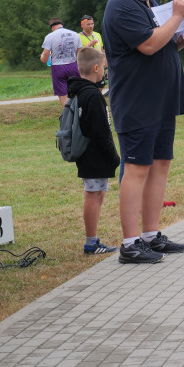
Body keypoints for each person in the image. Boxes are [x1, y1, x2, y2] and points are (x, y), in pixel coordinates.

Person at [102, 0, 184, 265]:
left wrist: (177, 40)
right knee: (137, 168)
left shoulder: (146, 4)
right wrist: (177, 17)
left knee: (160, 165)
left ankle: (151, 235)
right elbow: (148, 44)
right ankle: (130, 244)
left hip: (161, 99)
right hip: (138, 102)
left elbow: (156, 43)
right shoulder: (122, 5)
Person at [66, 47, 121, 255]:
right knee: (92, 194)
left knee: (97, 193)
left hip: (88, 153)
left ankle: (94, 239)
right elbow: (100, 131)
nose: (104, 74)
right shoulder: (92, 95)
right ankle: (90, 242)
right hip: (94, 154)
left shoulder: (79, 91)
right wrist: (114, 156)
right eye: (103, 70)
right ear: (96, 68)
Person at [40, 18, 82, 107]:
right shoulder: (75, 34)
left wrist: (42, 57)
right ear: (62, 24)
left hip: (58, 67)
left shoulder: (50, 36)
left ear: (52, 27)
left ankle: (68, 116)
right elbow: (79, 54)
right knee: (77, 92)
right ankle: (79, 114)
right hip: (73, 65)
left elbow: (44, 58)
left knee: (63, 96)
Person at [78, 14, 107, 85]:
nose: (91, 26)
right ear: (82, 25)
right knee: (89, 86)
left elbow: (101, 50)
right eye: (88, 24)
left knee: (100, 85)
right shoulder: (78, 37)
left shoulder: (97, 35)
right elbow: (78, 53)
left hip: (98, 65)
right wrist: (89, 44)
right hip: (86, 66)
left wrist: (105, 64)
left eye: (92, 24)